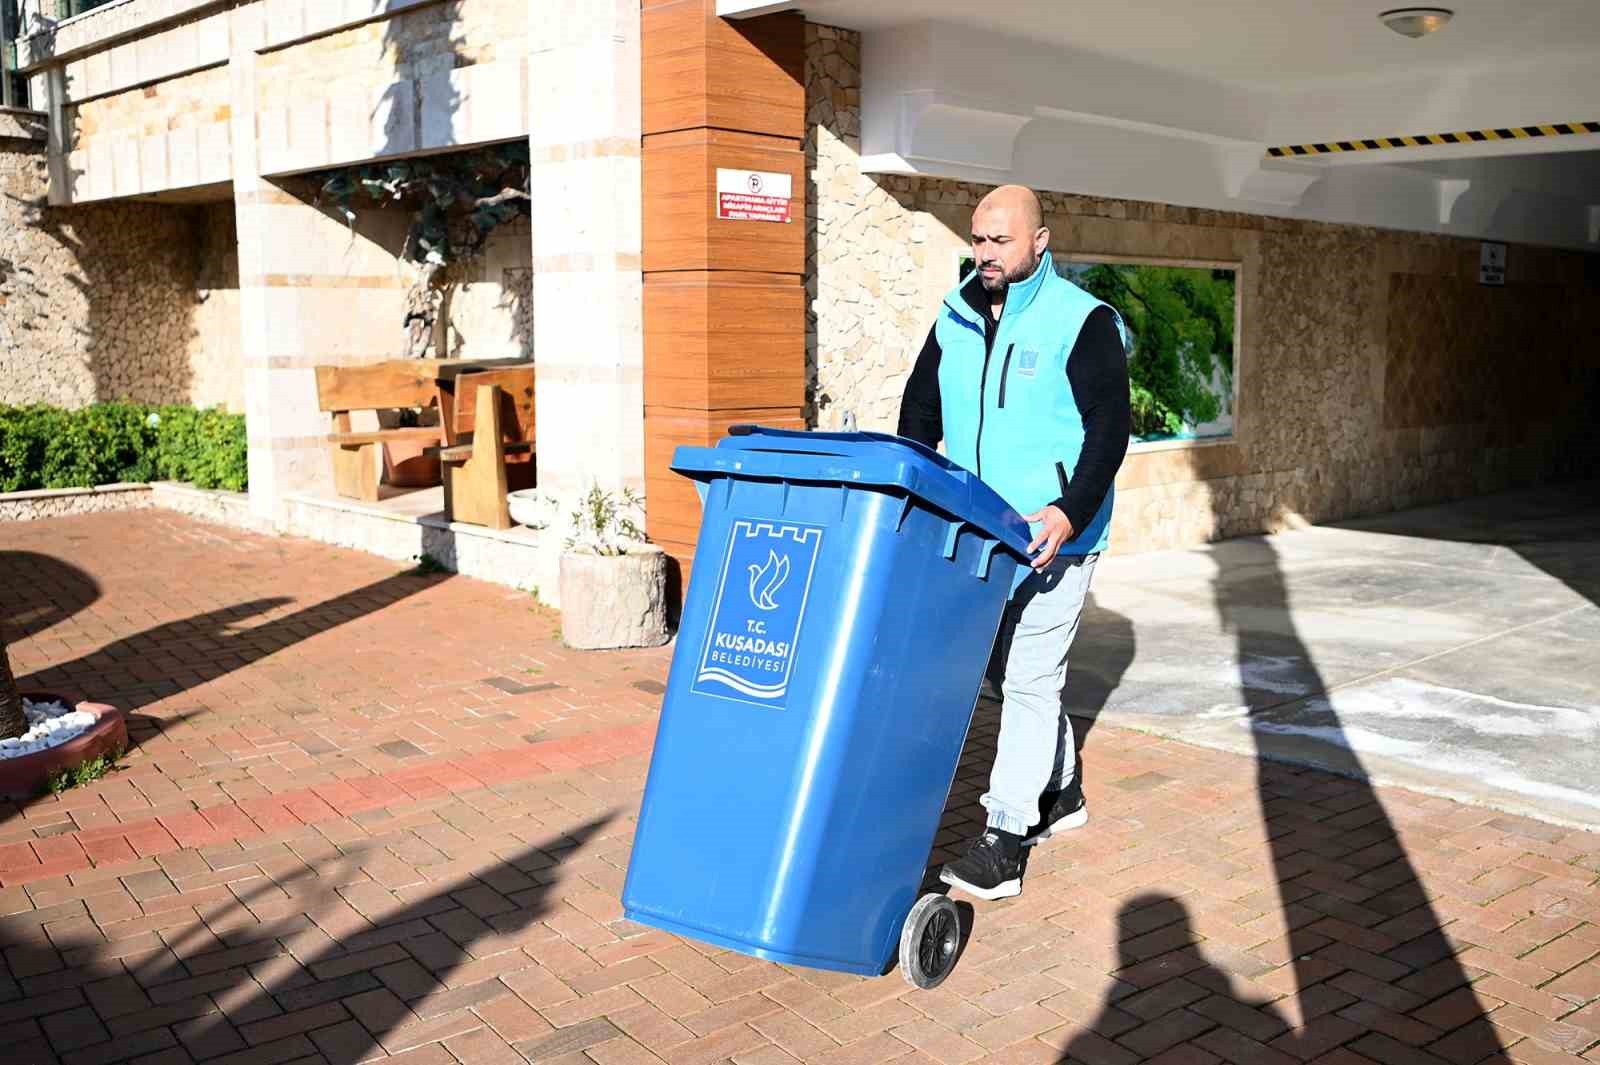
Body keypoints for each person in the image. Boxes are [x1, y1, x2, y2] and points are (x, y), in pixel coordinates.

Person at [897, 185, 1131, 900]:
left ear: (1040, 241)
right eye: (977, 238)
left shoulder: (1080, 321)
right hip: (981, 534)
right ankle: (1061, 790)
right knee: (1009, 673)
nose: (985, 252)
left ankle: (1004, 835)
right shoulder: (955, 314)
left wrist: (1069, 509)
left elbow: (1109, 428)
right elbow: (919, 411)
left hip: (1057, 536)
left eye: (1000, 240)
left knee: (1029, 676)